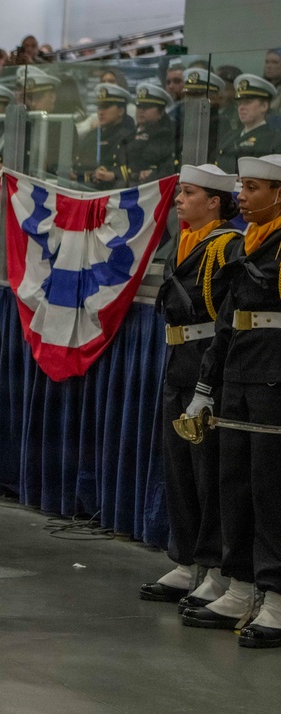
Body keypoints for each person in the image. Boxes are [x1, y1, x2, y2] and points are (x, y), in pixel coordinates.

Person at [182, 154, 281, 647]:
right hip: (239, 374)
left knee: (270, 490)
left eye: (254, 188)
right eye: (241, 186)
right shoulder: (247, 244)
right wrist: (205, 387)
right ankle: (240, 585)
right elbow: (227, 321)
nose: (241, 196)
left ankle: (276, 597)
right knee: (234, 484)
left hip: (273, 379)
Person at [143, 165, 243, 611]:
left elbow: (226, 315)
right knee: (179, 467)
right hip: (178, 360)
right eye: (180, 193)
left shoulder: (228, 245)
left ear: (215, 201)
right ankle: (186, 560)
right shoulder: (184, 242)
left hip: (207, 361)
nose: (179, 200)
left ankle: (217, 567)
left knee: (209, 472)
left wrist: (210, 378)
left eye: (189, 193)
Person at [72, 84, 135, 189]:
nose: (100, 112)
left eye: (106, 107)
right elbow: (79, 167)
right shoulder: (92, 136)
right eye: (99, 107)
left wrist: (113, 174)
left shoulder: (130, 136)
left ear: (121, 110)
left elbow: (134, 170)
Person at [216, 74, 280, 173]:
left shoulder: (274, 139)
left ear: (264, 106)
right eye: (239, 103)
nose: (241, 107)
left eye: (247, 102)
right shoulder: (229, 137)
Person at [124, 82, 179, 185]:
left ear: (161, 112)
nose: (141, 111)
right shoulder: (130, 134)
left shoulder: (170, 134)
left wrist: (154, 173)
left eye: (147, 107)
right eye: (139, 106)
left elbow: (172, 164)